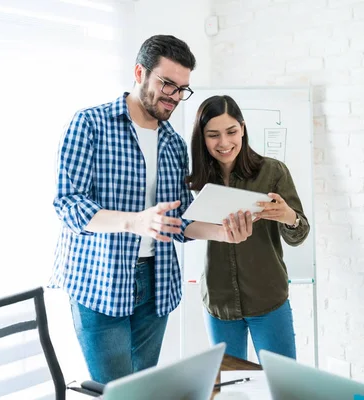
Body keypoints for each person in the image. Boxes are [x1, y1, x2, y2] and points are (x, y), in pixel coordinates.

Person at [50, 35, 253, 384]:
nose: (174, 96)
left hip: (154, 282)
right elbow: (69, 204)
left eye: (182, 88)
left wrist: (223, 233)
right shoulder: (89, 125)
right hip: (99, 280)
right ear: (139, 72)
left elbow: (181, 218)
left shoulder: (173, 142)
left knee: (144, 389)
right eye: (167, 84)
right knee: (114, 390)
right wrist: (136, 222)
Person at [186, 95, 310, 362]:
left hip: (268, 299)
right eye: (213, 135)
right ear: (202, 138)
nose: (224, 143)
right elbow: (183, 228)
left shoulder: (273, 172)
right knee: (228, 389)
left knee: (283, 386)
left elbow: (299, 234)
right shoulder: (194, 180)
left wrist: (289, 216)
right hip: (219, 302)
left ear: (242, 128)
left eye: (231, 131)